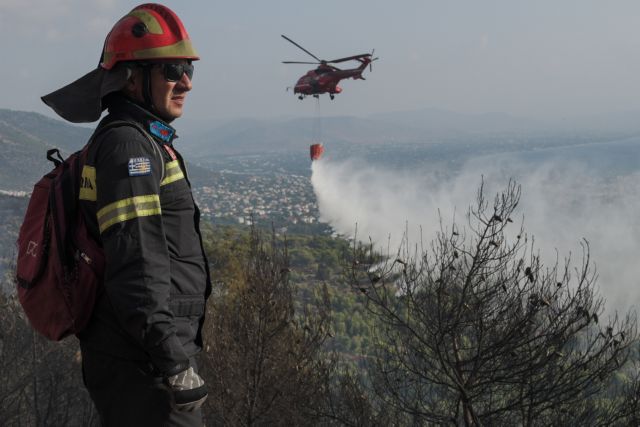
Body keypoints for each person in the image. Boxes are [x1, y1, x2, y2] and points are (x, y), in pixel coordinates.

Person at [41, 4, 211, 426]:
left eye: (188, 67)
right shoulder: (129, 148)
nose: (186, 81)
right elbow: (136, 261)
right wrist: (173, 362)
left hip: (138, 357)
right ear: (132, 78)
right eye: (171, 69)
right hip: (144, 363)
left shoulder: (142, 141)